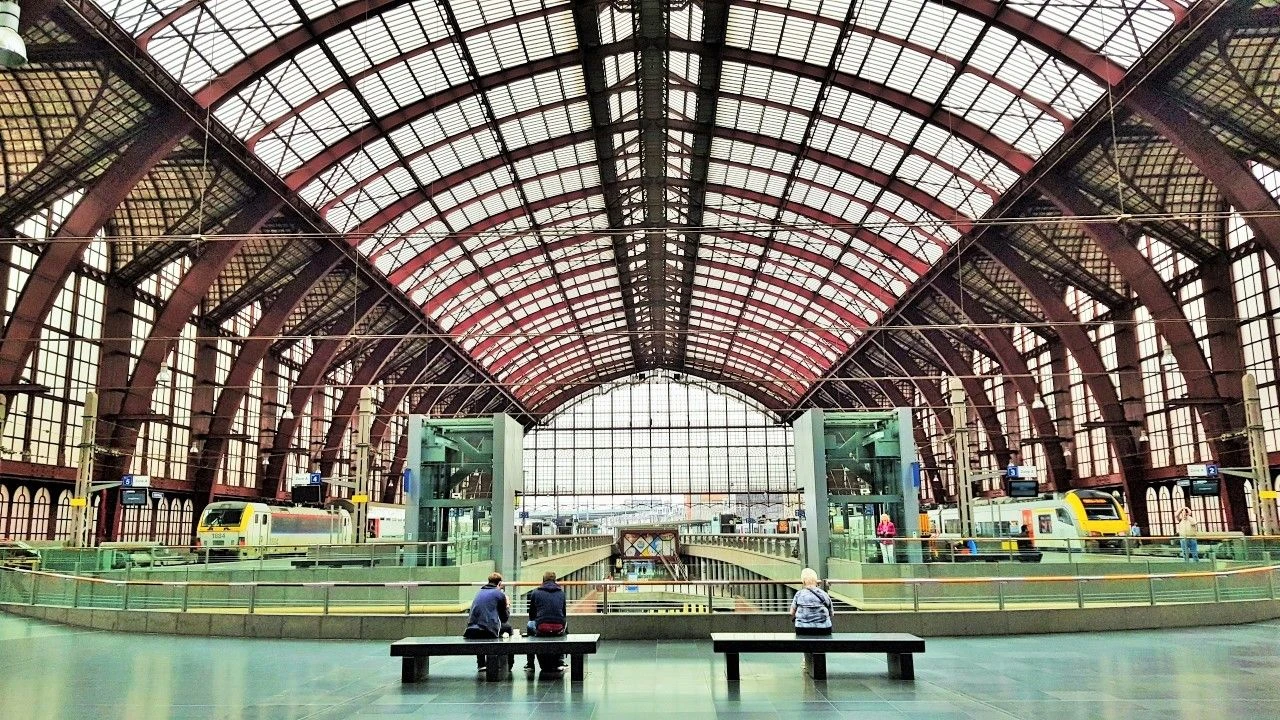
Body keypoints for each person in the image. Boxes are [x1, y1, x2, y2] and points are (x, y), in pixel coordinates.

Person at [464, 572, 514, 674]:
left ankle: (481, 663)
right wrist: (507, 605)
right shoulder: (499, 594)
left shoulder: (480, 592)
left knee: (481, 628)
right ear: (499, 584)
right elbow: (504, 618)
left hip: (471, 630)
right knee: (508, 628)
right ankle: (509, 663)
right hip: (488, 630)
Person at [525, 571, 568, 672]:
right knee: (565, 624)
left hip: (541, 627)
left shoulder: (536, 592)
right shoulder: (561, 593)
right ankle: (561, 659)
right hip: (558, 627)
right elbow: (563, 613)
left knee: (529, 624)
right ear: (555, 580)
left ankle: (530, 663)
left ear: (543, 580)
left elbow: (532, 614)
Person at [789, 567, 833, 635]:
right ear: (816, 581)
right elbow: (831, 614)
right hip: (824, 629)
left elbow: (791, 612)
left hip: (802, 629)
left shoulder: (799, 594)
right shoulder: (824, 594)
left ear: (803, 582)